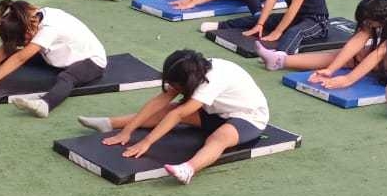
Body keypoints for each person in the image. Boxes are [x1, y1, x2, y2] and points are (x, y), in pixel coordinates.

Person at [76, 49, 269, 185]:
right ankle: (109, 123)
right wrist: (126, 131)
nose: (172, 87)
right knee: (167, 109)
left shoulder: (212, 80)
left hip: (249, 118)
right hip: (217, 113)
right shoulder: (193, 69)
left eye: (175, 84)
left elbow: (178, 114)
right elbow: (159, 101)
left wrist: (146, 142)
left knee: (219, 137)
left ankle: (188, 169)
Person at [259, 0, 387, 122]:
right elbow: (357, 41)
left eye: (370, 23)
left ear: (384, 20)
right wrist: (331, 70)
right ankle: (280, 60)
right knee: (346, 57)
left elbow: (380, 52)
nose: (367, 25)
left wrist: (347, 80)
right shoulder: (381, 6)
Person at [0, 0, 107, 119]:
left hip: (91, 61)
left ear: (28, 31)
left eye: (23, 40)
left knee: (66, 77)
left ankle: (44, 106)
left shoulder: (49, 29)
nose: (23, 43)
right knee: (25, 52)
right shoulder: (29, 19)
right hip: (58, 57)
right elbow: (9, 46)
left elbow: (19, 58)